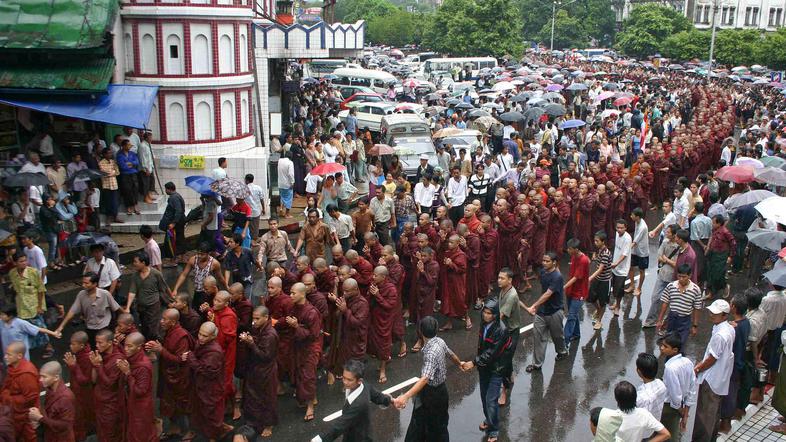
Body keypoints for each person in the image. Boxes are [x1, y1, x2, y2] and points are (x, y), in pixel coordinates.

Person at [393, 316, 463, 442]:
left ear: (420, 332)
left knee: (429, 427)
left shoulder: (430, 353)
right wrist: (460, 364)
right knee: (436, 425)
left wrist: (406, 396)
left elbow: (425, 378)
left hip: (432, 394)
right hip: (440, 391)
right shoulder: (440, 342)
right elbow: (450, 354)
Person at [460, 298, 509, 442]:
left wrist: (474, 362)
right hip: (484, 368)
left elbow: (491, 353)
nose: (486, 315)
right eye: (484, 312)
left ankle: (494, 430)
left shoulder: (501, 330)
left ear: (495, 314)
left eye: (489, 313)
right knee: (483, 397)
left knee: (491, 400)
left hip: (496, 369)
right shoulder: (484, 324)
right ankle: (489, 419)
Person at [312, 360, 393, 442]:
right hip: (356, 432)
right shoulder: (363, 385)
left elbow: (340, 426)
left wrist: (319, 439)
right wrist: (390, 400)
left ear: (359, 381)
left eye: (349, 380)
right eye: (344, 378)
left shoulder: (359, 404)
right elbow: (377, 396)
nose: (345, 382)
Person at [144, 308, 194, 440]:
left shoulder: (181, 336)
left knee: (183, 404)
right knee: (169, 402)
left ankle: (190, 430)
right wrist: (158, 347)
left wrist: (161, 350)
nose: (161, 322)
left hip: (180, 377)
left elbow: (179, 360)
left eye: (164, 319)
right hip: (168, 374)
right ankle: (174, 428)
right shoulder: (169, 332)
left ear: (172, 322)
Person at [692, 299, 735, 441]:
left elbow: (712, 359)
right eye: (711, 312)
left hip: (712, 379)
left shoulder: (720, 335)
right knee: (713, 413)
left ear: (724, 315)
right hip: (720, 378)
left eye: (715, 314)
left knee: (705, 415)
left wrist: (698, 368)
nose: (711, 315)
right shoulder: (728, 328)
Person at [184, 322, 233, 440]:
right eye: (200, 334)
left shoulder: (214, 353)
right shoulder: (202, 344)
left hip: (211, 388)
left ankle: (214, 436)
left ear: (212, 337)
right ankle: (222, 428)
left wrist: (190, 357)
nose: (200, 337)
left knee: (211, 414)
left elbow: (207, 372)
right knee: (199, 411)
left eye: (204, 336)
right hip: (200, 385)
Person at [522, 252, 567, 372]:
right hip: (542, 312)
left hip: (555, 311)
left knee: (557, 336)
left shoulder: (557, 277)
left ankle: (562, 351)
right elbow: (540, 279)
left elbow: (547, 294)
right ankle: (537, 364)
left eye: (547, 261)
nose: (544, 263)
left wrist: (534, 305)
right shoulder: (542, 272)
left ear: (554, 263)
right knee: (539, 338)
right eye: (544, 261)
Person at [239, 306, 279, 438]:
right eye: (253, 318)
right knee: (253, 397)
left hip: (266, 371)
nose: (253, 321)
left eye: (257, 318)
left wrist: (251, 344)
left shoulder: (270, 334)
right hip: (254, 369)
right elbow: (256, 342)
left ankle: (268, 424)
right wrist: (248, 339)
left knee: (267, 397)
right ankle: (254, 421)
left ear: (266, 318)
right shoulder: (257, 329)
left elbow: (265, 356)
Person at [8, 252, 54, 358]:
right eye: (21, 261)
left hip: (33, 307)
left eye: (25, 260)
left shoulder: (33, 272)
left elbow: (41, 290)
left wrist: (39, 307)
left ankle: (48, 347)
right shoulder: (12, 274)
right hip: (21, 307)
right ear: (15, 263)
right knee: (24, 329)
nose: (24, 263)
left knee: (40, 328)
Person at [54, 272, 120, 344]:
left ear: (95, 284)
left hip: (105, 327)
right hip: (90, 327)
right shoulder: (81, 295)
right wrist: (61, 327)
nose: (83, 285)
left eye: (86, 283)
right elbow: (72, 311)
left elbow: (116, 308)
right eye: (83, 283)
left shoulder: (105, 294)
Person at [288, 282, 322, 422]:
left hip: (310, 348)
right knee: (298, 374)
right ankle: (308, 397)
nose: (290, 296)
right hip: (298, 347)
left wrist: (296, 326)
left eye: (293, 293)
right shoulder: (294, 307)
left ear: (302, 294)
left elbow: (313, 335)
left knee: (308, 377)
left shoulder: (311, 312)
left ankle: (310, 407)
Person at [658, 332, 697, 441]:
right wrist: (686, 412)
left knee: (667, 435)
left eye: (665, 346)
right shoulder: (688, 362)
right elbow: (692, 387)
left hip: (670, 406)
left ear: (675, 350)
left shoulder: (670, 368)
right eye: (662, 345)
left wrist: (681, 410)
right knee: (673, 431)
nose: (661, 348)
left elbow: (675, 394)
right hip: (680, 405)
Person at [117, 332, 156, 442]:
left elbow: (140, 391)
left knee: (140, 434)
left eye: (130, 346)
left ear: (139, 347)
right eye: (125, 345)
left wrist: (128, 373)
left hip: (141, 406)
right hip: (131, 402)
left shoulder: (143, 366)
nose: (126, 349)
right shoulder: (133, 357)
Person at [126, 251, 172, 341]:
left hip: (153, 306)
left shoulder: (156, 274)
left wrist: (171, 299)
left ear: (143, 263)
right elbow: (132, 291)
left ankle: (157, 343)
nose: (134, 264)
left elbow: (164, 287)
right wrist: (127, 307)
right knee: (144, 326)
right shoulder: (135, 276)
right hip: (141, 307)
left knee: (153, 327)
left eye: (136, 262)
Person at [89, 329, 125, 441]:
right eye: (96, 342)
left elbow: (109, 383)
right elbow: (93, 380)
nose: (97, 345)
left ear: (110, 343)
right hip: (100, 400)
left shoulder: (117, 359)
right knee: (102, 431)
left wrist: (99, 365)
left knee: (111, 433)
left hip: (111, 403)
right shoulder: (100, 355)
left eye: (100, 343)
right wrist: (94, 364)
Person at [656, 264, 703, 347]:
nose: (681, 279)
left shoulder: (695, 290)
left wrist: (695, 325)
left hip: (685, 321)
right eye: (679, 276)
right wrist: (660, 320)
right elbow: (665, 303)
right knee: (669, 343)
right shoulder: (671, 286)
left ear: (690, 276)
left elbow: (697, 308)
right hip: (672, 319)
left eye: (684, 277)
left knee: (681, 343)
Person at [1, 342, 40, 441]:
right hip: (13, 412)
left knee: (28, 437)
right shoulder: (13, 367)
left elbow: (30, 398)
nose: (5, 357)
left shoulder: (27, 374)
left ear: (19, 356)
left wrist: (7, 397)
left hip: (24, 414)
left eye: (9, 355)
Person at [643, 224, 679, 328]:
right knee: (655, 297)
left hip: (672, 277)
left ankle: (665, 321)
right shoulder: (664, 242)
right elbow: (659, 257)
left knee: (670, 301)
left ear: (674, 235)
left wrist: (666, 259)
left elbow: (675, 263)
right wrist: (668, 261)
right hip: (662, 274)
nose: (666, 233)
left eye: (668, 232)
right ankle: (651, 320)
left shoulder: (678, 247)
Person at [29, 361, 75, 442]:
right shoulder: (50, 389)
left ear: (56, 377)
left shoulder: (65, 398)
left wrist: (40, 418)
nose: (40, 380)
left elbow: (65, 425)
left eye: (44, 377)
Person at [497, 268, 523, 406]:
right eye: (499, 277)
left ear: (510, 280)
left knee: (503, 363)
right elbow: (518, 301)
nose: (499, 280)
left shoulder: (511, 295)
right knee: (506, 357)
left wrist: (488, 327)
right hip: (505, 330)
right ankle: (511, 373)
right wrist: (527, 308)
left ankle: (504, 392)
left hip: (511, 332)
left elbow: (500, 315)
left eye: (502, 278)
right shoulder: (505, 290)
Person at [172, 242, 226, 308]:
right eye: (198, 253)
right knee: (196, 309)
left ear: (208, 253)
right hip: (197, 290)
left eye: (202, 254)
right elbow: (184, 275)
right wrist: (175, 289)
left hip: (209, 293)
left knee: (209, 311)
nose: (200, 256)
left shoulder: (214, 263)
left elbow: (220, 278)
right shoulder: (193, 260)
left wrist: (227, 288)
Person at [63, 332, 95, 440]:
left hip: (84, 394)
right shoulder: (79, 354)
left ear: (81, 346)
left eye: (73, 344)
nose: (70, 346)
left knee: (82, 415)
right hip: (77, 391)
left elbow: (85, 380)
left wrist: (73, 366)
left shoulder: (86, 358)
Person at [368, 266, 398, 384]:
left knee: (384, 344)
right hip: (374, 319)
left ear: (383, 277)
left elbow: (389, 306)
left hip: (384, 321)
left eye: (375, 275)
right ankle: (383, 360)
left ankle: (383, 370)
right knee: (373, 344)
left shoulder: (391, 289)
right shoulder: (374, 285)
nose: (373, 277)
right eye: (373, 274)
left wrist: (378, 295)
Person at [563, 238, 590, 346]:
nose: (568, 251)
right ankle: (576, 334)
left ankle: (565, 342)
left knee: (571, 317)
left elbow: (576, 277)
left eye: (570, 249)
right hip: (571, 291)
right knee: (573, 315)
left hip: (579, 293)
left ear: (576, 249)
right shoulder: (574, 256)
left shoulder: (583, 260)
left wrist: (563, 287)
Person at [635, 353, 668, 433]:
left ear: (639, 372)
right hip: (653, 427)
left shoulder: (641, 398)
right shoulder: (661, 384)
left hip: (643, 434)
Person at [705, 214, 735, 300]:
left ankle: (724, 286)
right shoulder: (714, 230)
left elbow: (733, 243)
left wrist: (730, 256)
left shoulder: (725, 232)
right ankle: (711, 293)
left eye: (714, 223)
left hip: (721, 255)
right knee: (710, 273)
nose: (712, 224)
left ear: (719, 223)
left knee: (718, 274)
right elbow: (711, 238)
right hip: (712, 254)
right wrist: (708, 247)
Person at [588, 231, 612, 331]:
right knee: (590, 297)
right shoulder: (600, 250)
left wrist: (590, 278)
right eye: (595, 241)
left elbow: (601, 269)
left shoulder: (606, 253)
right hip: (597, 279)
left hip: (605, 281)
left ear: (603, 241)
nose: (595, 243)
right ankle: (598, 310)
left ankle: (599, 321)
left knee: (603, 302)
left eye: (597, 241)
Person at [610, 219, 632, 317]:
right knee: (614, 287)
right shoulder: (616, 234)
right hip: (614, 267)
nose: (619, 230)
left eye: (621, 228)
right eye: (618, 227)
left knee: (619, 289)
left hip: (622, 269)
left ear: (625, 228)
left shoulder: (627, 239)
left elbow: (624, 255)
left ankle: (618, 306)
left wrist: (616, 263)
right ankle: (615, 303)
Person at [160, 182, 186, 264]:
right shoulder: (176, 196)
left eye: (166, 189)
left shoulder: (174, 198)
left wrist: (174, 223)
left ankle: (174, 258)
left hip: (176, 223)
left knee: (173, 240)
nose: (165, 191)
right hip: (179, 221)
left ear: (169, 189)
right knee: (179, 238)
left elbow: (178, 211)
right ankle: (179, 257)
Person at [224, 233, 256, 298]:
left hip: (248, 280)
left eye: (231, 242)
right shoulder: (229, 255)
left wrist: (260, 268)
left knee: (247, 298)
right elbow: (227, 269)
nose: (229, 244)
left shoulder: (248, 251)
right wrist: (226, 283)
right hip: (237, 282)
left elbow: (255, 261)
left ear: (237, 243)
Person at [628, 208, 649, 297]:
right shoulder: (636, 222)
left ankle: (639, 288)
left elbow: (635, 242)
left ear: (637, 216)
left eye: (632, 215)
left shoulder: (642, 227)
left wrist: (626, 250)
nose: (631, 216)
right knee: (631, 266)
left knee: (641, 270)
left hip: (642, 252)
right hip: (635, 250)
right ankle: (632, 285)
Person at [116, 139, 140, 216]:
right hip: (125, 175)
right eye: (128, 145)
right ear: (123, 146)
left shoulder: (132, 153)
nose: (130, 147)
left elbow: (137, 162)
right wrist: (131, 165)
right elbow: (122, 166)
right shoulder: (119, 154)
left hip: (133, 174)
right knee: (127, 190)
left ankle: (135, 205)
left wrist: (131, 163)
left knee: (135, 189)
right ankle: (129, 206)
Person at [98, 148, 122, 224]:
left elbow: (118, 172)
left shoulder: (113, 162)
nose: (110, 154)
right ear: (104, 154)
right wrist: (113, 172)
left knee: (115, 202)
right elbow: (104, 173)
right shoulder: (101, 163)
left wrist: (112, 172)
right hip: (106, 185)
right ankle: (108, 218)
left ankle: (115, 216)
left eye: (110, 153)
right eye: (108, 153)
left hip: (114, 185)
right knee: (108, 202)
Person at [245, 174, 265, 242]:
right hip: (256, 211)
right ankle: (254, 239)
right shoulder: (258, 188)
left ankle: (250, 239)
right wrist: (263, 209)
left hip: (247, 211)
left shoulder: (244, 188)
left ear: (246, 180)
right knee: (256, 226)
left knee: (248, 226)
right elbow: (262, 199)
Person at [277, 152, 295, 218]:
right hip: (287, 184)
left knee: (282, 197)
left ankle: (281, 209)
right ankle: (287, 214)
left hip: (280, 183)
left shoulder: (279, 161)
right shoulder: (290, 163)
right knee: (288, 198)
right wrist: (292, 182)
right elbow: (291, 174)